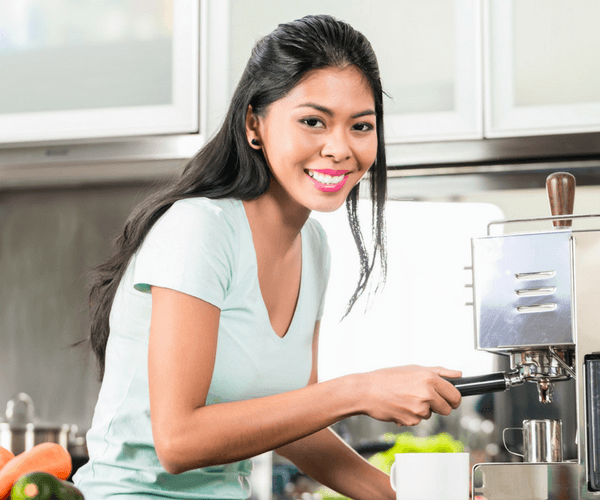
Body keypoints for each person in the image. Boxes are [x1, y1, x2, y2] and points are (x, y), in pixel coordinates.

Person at [73, 14, 462, 500]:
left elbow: (298, 426)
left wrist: (405, 496)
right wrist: (358, 391)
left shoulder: (314, 247)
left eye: (361, 126)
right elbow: (177, 441)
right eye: (313, 121)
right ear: (254, 124)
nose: (340, 147)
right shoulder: (200, 228)